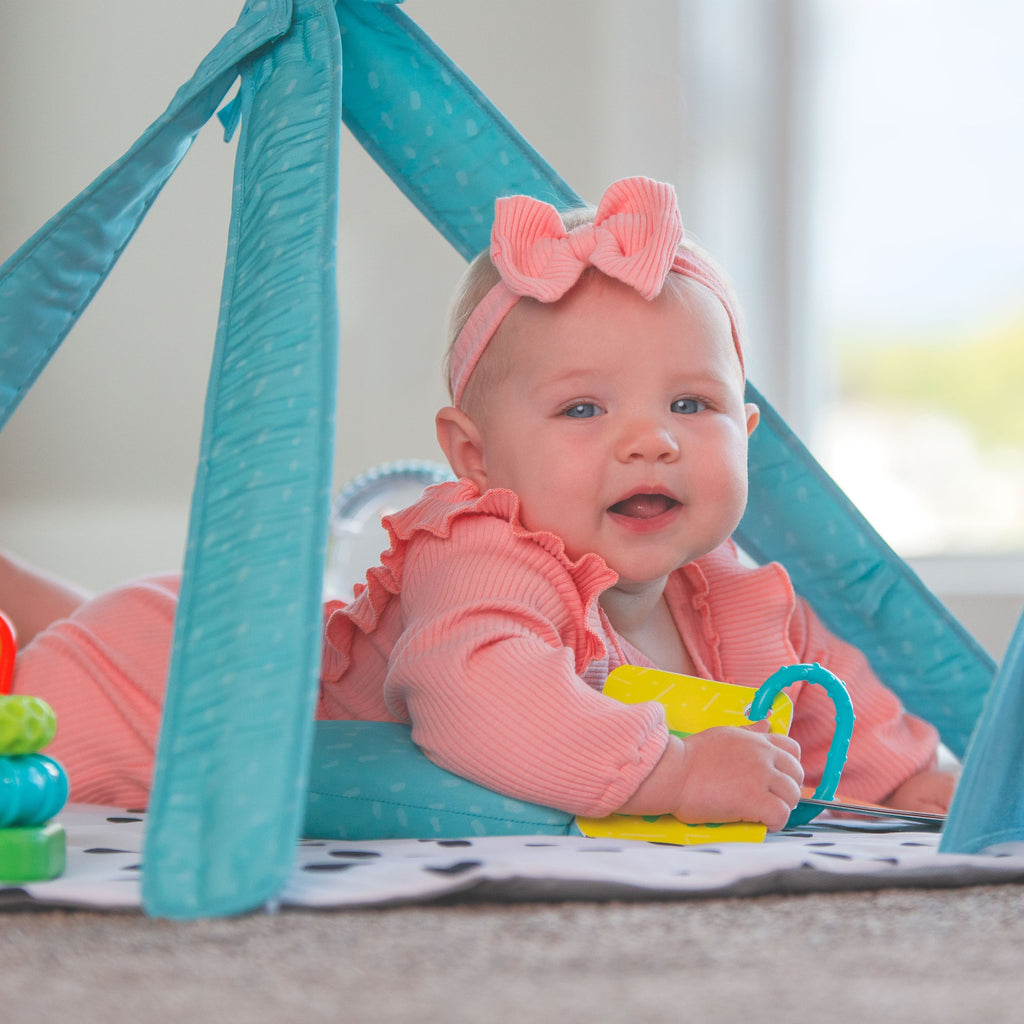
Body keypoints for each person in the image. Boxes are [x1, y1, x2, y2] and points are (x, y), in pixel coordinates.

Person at [6, 177, 955, 828]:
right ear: (474, 457)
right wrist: (673, 774)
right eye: (584, 407)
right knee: (29, 710)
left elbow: (838, 704)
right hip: (162, 697)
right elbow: (483, 700)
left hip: (227, 638)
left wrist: (918, 781)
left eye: (691, 404)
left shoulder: (733, 590)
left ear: (744, 435)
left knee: (68, 618)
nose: (650, 438)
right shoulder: (482, 555)